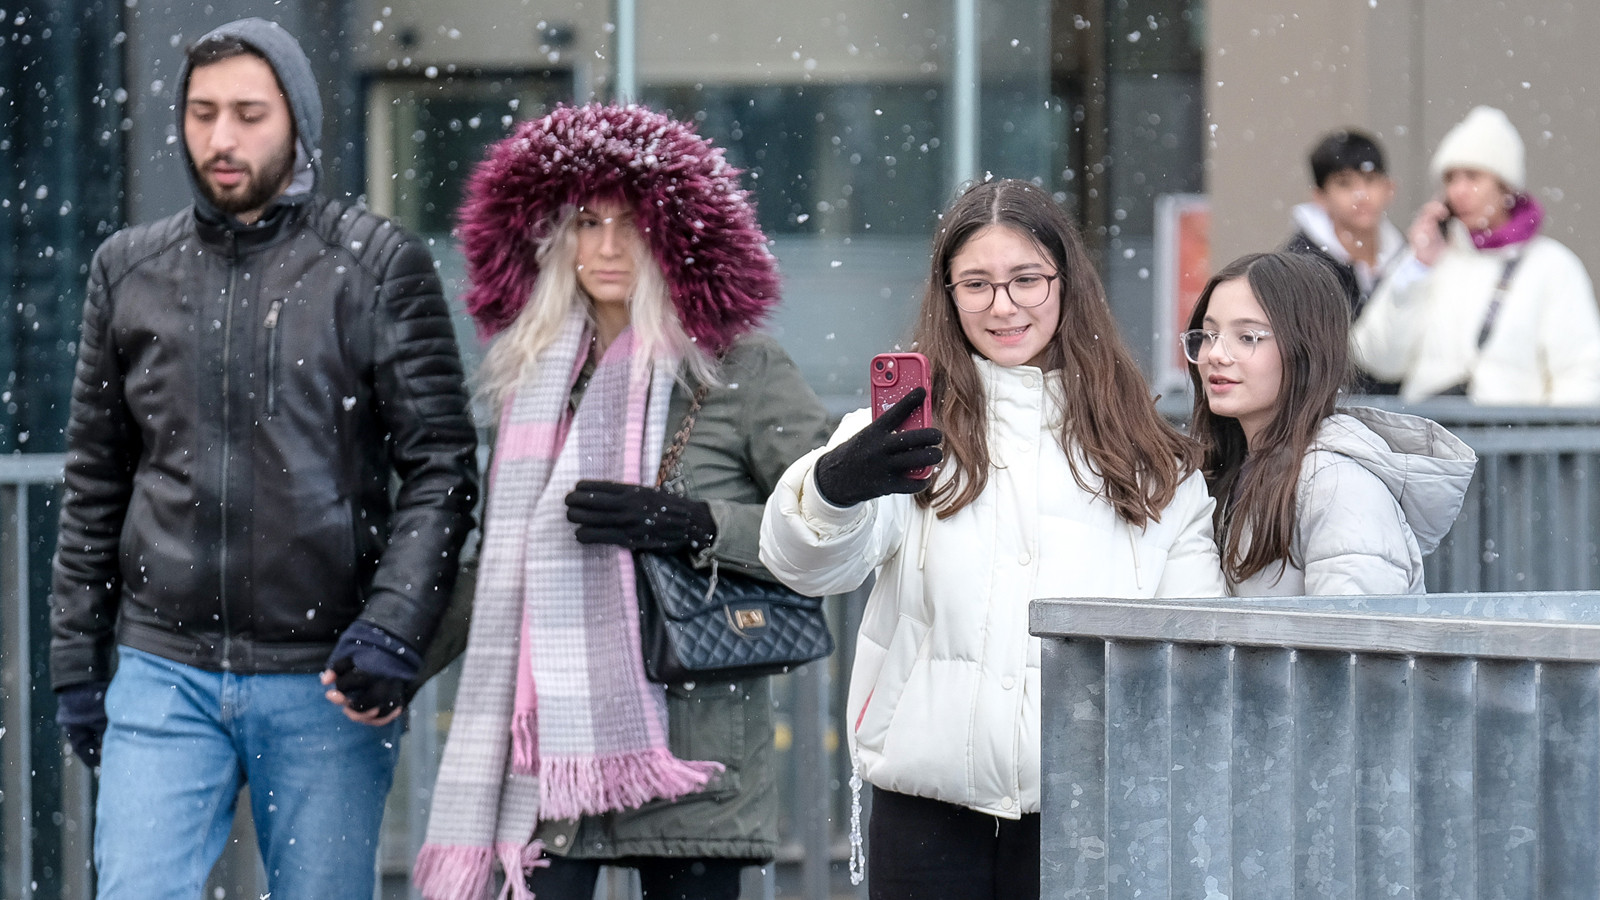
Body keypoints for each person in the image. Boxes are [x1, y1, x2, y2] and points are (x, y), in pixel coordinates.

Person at [48, 18, 479, 898]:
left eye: (249, 114)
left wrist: (394, 626)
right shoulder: (127, 270)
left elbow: (441, 466)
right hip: (163, 669)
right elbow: (95, 478)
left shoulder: (376, 266)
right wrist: (75, 663)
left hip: (326, 676)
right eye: (202, 113)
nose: (221, 138)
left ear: (298, 122)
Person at [758, 178, 1225, 900]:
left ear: (1067, 283)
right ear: (948, 295)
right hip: (926, 814)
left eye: (1026, 279)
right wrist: (830, 489)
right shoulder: (903, 434)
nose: (1003, 306)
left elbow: (1193, 645)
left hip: (1092, 808)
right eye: (976, 284)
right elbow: (807, 568)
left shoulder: (1149, 458)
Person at [412, 103, 833, 900]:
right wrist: (398, 659)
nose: (608, 248)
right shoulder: (533, 382)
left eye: (633, 224)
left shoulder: (739, 368)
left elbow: (828, 528)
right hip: (550, 768)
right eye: (587, 223)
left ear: (676, 236)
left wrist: (696, 525)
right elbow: (501, 575)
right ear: (552, 238)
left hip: (694, 747)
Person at [1184, 251, 1477, 596]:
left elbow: (1356, 628)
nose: (1215, 354)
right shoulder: (1233, 469)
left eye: (1247, 337)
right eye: (1209, 334)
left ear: (1306, 349)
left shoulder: (1338, 484)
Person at [1351, 105, 1600, 404]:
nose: (1458, 190)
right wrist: (1417, 269)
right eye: (1450, 179)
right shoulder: (1427, 259)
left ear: (1505, 187)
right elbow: (1378, 359)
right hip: (1430, 431)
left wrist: (1550, 433)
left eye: (1473, 177)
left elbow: (1581, 373)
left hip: (1513, 433)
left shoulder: (1552, 265)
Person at [1282, 129, 1406, 319]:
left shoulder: (1409, 257)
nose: (1361, 195)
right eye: (1344, 183)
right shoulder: (1298, 269)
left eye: (1370, 180)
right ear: (1320, 197)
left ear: (1389, 188)